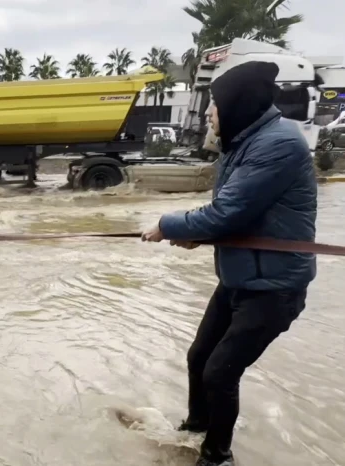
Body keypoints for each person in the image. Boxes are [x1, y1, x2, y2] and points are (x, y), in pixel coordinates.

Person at [141, 61, 317, 466]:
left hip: (273, 289)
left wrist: (167, 226)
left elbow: (227, 213)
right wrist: (196, 234)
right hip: (240, 279)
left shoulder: (279, 145)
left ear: (238, 105)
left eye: (214, 106)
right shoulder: (245, 144)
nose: (208, 114)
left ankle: (216, 457)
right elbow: (236, 213)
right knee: (199, 358)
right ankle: (197, 429)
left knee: (220, 373)